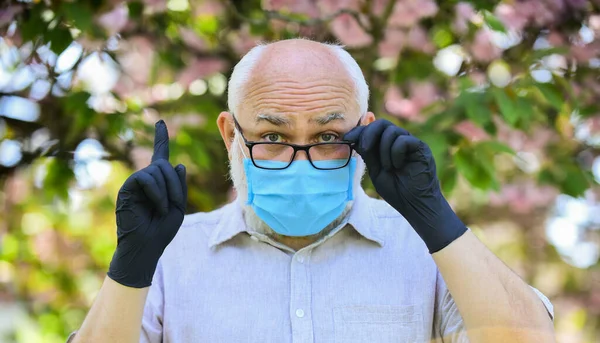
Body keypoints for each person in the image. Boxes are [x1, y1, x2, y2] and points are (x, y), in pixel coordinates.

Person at [69, 39, 555, 343]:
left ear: (364, 132)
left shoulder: (423, 250)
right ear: (230, 135)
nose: (301, 160)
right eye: (274, 137)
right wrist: (130, 267)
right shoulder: (171, 255)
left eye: (327, 138)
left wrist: (435, 218)